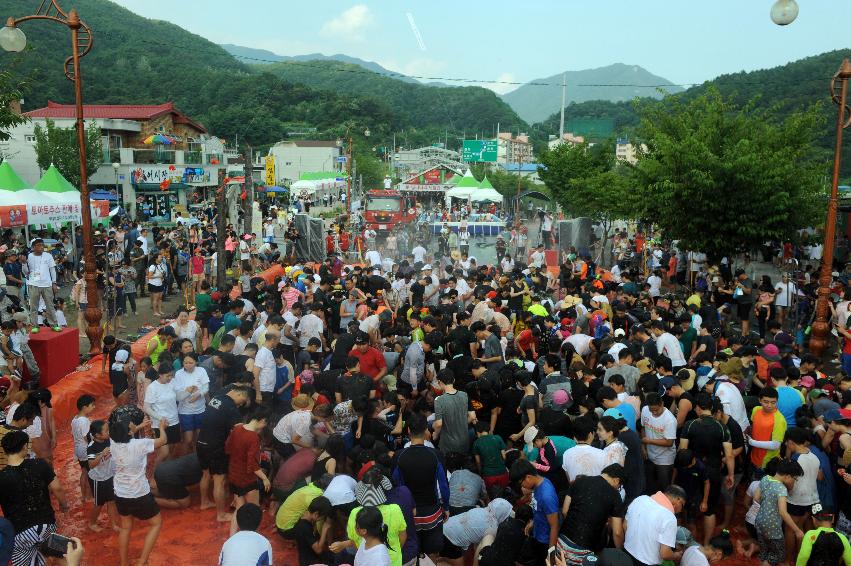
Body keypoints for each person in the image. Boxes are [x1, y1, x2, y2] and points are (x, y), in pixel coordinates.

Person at [0, 430, 68, 566]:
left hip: (19, 533)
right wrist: (64, 505)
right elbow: (57, 488)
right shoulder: (40, 464)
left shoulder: (2, 477)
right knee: (63, 554)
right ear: (24, 447)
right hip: (47, 525)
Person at [109, 410, 167, 566]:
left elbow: (126, 432)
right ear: (128, 432)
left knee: (126, 527)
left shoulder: (113, 443)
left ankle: (123, 563)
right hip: (139, 493)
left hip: (121, 493)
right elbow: (162, 441)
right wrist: (161, 427)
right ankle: (142, 562)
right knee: (156, 523)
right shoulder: (140, 444)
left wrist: (138, 426)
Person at [197, 384, 253, 522]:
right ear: (241, 395)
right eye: (242, 402)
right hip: (215, 446)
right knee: (219, 480)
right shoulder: (231, 408)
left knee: (205, 474)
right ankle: (221, 515)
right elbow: (240, 432)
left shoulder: (217, 397)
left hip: (201, 443)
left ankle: (204, 502)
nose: (241, 405)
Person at [557, 463, 626, 564]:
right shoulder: (614, 495)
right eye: (618, 487)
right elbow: (617, 532)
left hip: (561, 542)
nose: (617, 489)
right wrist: (621, 551)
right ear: (616, 480)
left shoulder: (579, 481)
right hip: (583, 552)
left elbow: (565, 510)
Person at [754, 458, 805, 566]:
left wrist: (767, 504)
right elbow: (783, 512)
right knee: (776, 555)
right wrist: (797, 530)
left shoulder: (765, 478)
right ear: (787, 476)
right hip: (772, 527)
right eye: (794, 479)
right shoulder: (781, 489)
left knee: (764, 551)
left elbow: (756, 497)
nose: (794, 481)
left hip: (759, 521)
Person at [509, 459, 559, 564]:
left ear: (528, 477)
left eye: (521, 484)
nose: (522, 487)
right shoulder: (538, 484)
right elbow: (540, 509)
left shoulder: (546, 496)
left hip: (545, 541)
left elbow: (554, 526)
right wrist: (533, 522)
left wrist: (551, 555)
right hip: (538, 534)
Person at [623, 484, 685, 566]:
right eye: (682, 505)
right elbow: (665, 554)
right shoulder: (670, 518)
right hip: (646, 563)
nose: (681, 510)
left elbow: (625, 525)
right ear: (678, 500)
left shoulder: (641, 499)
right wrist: (675, 556)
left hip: (626, 554)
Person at [225, 408, 271, 510]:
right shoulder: (253, 437)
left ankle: (234, 527)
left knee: (239, 508)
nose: (263, 428)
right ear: (262, 420)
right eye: (264, 424)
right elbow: (253, 464)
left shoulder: (237, 428)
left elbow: (227, 448)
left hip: (233, 474)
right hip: (247, 478)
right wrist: (265, 478)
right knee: (254, 509)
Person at [85, 419, 119, 532]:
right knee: (99, 504)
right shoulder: (91, 447)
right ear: (97, 435)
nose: (108, 432)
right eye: (106, 431)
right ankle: (92, 523)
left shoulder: (108, 439)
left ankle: (114, 524)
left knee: (111, 500)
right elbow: (91, 465)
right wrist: (101, 455)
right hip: (98, 479)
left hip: (109, 475)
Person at [433, 369, 474, 455]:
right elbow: (472, 416)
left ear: (439, 382)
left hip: (448, 444)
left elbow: (439, 424)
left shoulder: (439, 400)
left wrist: (436, 434)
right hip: (464, 441)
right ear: (454, 380)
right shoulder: (464, 395)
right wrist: (461, 424)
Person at [26, 238, 61, 330]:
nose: (42, 247)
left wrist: (54, 283)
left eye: (42, 245)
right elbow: (26, 269)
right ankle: (34, 325)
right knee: (33, 306)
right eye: (39, 245)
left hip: (47, 284)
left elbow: (52, 270)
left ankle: (54, 324)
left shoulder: (48, 255)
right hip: (33, 284)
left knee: (50, 305)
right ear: (33, 247)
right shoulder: (29, 256)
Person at [72, 394, 96, 501]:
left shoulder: (75, 419)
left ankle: (83, 496)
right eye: (92, 405)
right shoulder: (84, 421)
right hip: (85, 449)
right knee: (91, 473)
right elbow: (87, 437)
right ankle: (91, 495)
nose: (94, 407)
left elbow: (73, 435)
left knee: (84, 472)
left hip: (78, 449)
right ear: (85, 407)